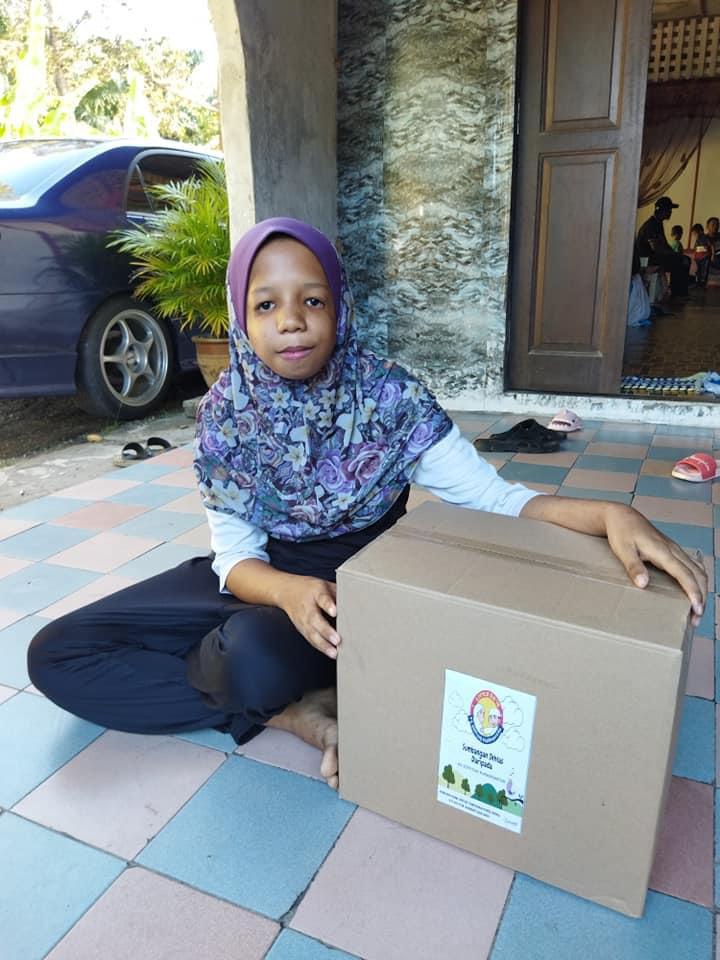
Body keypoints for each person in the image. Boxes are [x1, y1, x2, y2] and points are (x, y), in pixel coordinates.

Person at [27, 218, 708, 789]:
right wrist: (286, 591)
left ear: (340, 305)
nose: (291, 322)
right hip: (264, 579)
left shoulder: (390, 398)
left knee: (249, 659)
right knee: (58, 654)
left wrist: (610, 514)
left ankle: (271, 690)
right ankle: (294, 712)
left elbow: (496, 499)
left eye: (312, 300)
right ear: (240, 315)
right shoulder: (227, 415)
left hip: (355, 598)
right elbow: (233, 560)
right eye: (265, 305)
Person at [636, 196, 690, 298]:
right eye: (669, 209)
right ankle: (677, 295)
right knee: (680, 261)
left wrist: (675, 254)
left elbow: (664, 245)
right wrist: (675, 255)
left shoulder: (658, 223)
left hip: (655, 256)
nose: (670, 212)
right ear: (661, 210)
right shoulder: (651, 225)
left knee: (683, 259)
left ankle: (680, 293)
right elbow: (656, 248)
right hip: (647, 259)